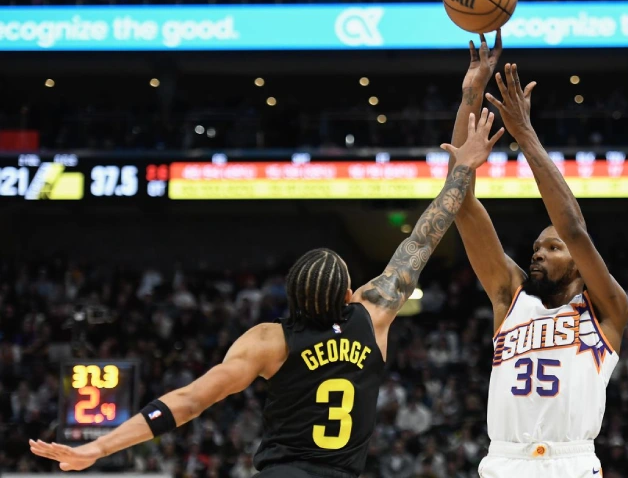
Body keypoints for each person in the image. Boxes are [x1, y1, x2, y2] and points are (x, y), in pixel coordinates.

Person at [29, 110, 504, 477]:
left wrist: (97, 446)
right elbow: (422, 238)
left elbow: (188, 401)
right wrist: (462, 169)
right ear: (347, 298)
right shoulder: (372, 315)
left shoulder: (267, 341)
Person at [442, 36, 628, 477]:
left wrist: (525, 135)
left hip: (572, 462)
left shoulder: (607, 311)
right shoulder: (511, 297)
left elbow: (573, 228)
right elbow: (461, 201)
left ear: (580, 265)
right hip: (504, 460)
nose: (538, 254)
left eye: (552, 248)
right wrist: (472, 91)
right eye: (535, 249)